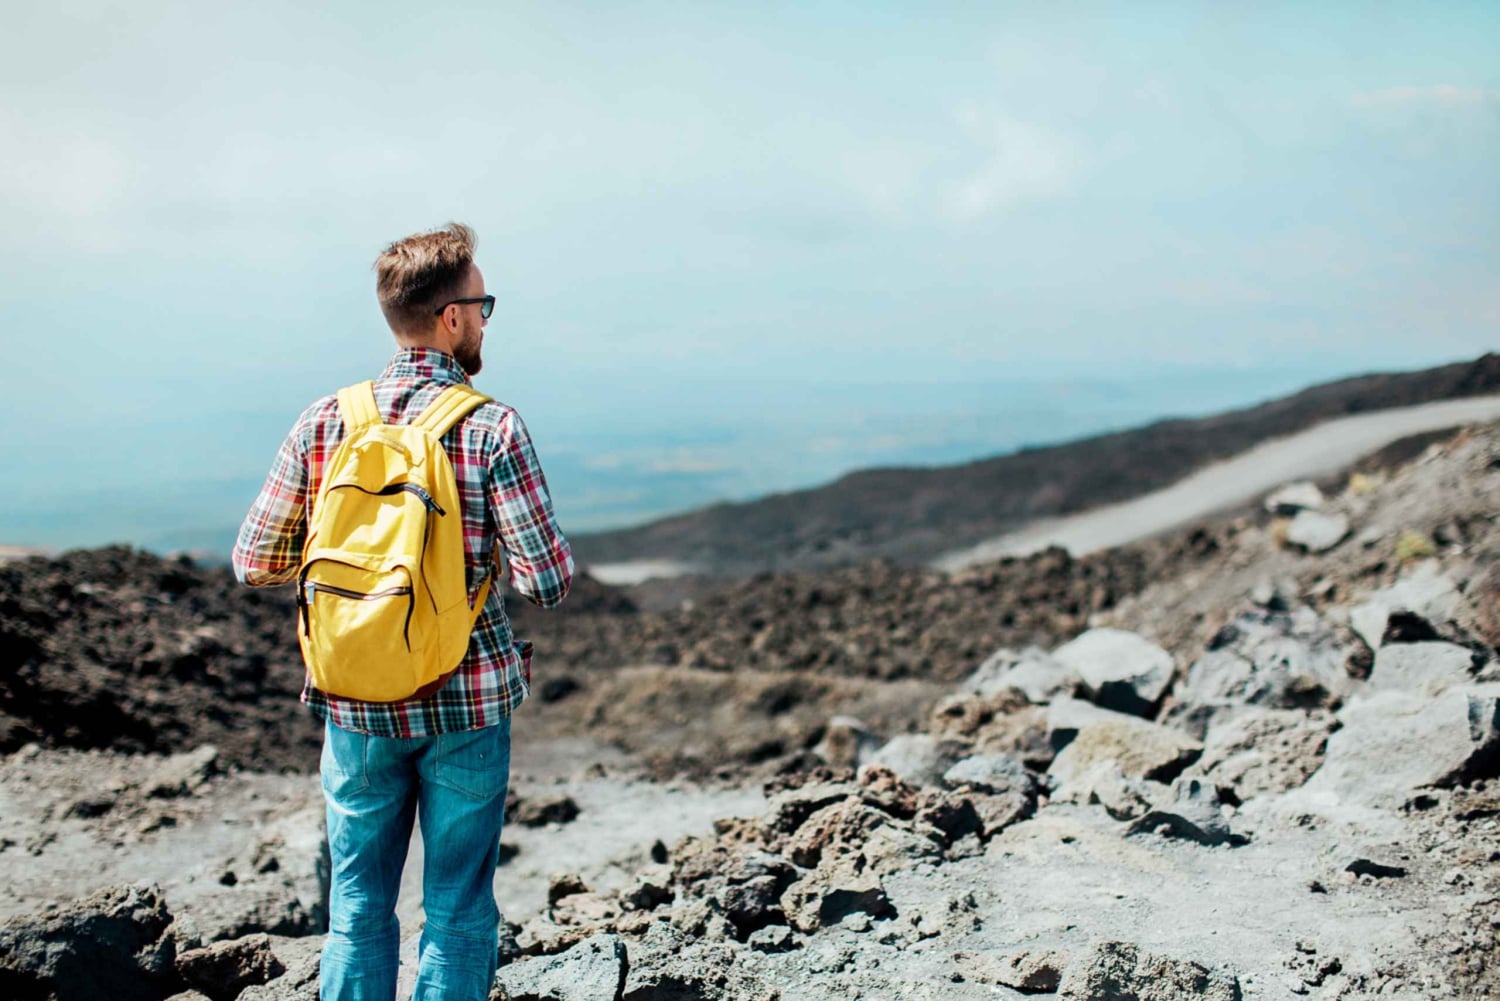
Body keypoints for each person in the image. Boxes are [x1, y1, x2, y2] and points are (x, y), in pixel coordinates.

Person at [231, 222, 574, 1000]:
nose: (485, 318)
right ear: (452, 318)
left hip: (355, 696)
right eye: (482, 303)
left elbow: (254, 562)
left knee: (356, 908)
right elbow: (546, 582)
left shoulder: (326, 421)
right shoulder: (491, 425)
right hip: (466, 694)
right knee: (455, 911)